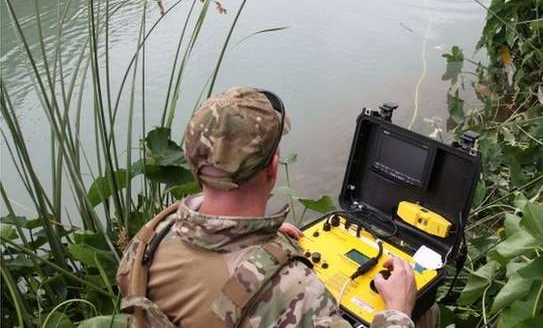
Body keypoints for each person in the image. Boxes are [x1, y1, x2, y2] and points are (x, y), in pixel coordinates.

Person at [116, 87, 433, 327]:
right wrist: (398, 312)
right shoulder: (292, 290)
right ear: (273, 167)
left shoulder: (154, 235)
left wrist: (259, 241)